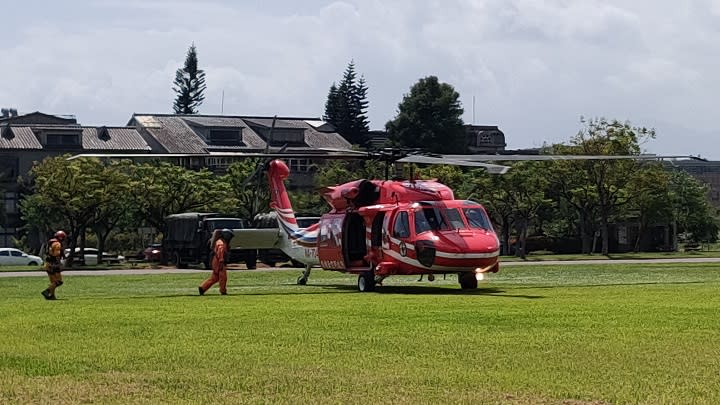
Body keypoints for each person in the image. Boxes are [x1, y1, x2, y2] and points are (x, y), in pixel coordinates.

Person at [198, 228, 234, 295]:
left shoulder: (220, 241)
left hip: (216, 261)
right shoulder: (221, 243)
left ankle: (202, 288)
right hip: (218, 261)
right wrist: (221, 261)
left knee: (215, 277)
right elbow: (220, 252)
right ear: (227, 236)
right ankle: (223, 291)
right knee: (223, 277)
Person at [41, 230, 66, 300]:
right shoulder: (57, 244)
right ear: (61, 238)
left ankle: (52, 296)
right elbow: (57, 255)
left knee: (53, 282)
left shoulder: (50, 242)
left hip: (48, 264)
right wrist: (59, 263)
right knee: (59, 281)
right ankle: (47, 291)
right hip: (53, 264)